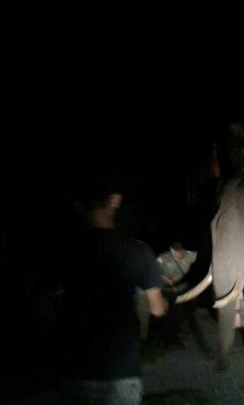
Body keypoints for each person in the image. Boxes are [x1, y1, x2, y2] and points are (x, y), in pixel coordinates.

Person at [56, 173, 168, 405]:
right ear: (115, 201)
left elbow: (44, 306)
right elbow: (157, 308)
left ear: (78, 204)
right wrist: (164, 298)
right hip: (121, 371)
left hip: (73, 370)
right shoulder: (137, 251)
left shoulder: (63, 251)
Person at [152, 242, 212, 354]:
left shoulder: (189, 255)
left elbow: (203, 255)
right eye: (175, 253)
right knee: (170, 317)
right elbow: (153, 271)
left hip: (183, 290)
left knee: (182, 314)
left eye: (179, 253)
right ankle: (168, 342)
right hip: (168, 292)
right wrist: (164, 278)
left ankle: (176, 335)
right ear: (171, 251)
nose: (178, 255)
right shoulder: (162, 258)